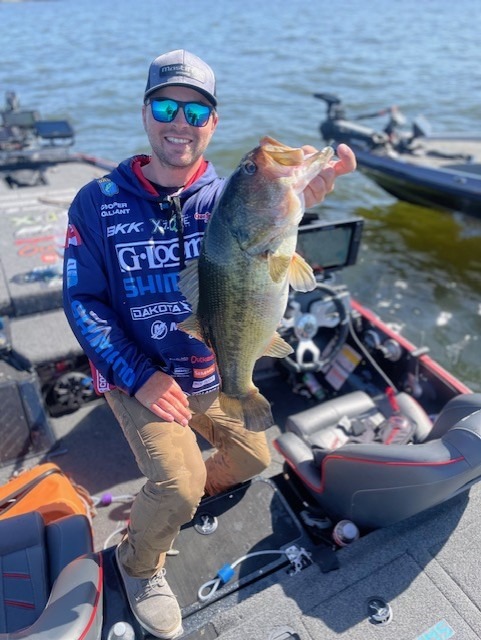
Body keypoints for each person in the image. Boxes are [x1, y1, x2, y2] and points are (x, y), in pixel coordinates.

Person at [62, 49, 356, 639]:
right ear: (145, 113)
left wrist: (298, 197)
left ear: (213, 124)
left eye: (196, 112)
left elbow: (268, 243)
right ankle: (137, 561)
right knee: (178, 483)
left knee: (253, 459)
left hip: (210, 365)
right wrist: (139, 376)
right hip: (138, 374)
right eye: (166, 107)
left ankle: (170, 502)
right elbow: (81, 300)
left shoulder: (229, 199)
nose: (181, 122)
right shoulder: (96, 201)